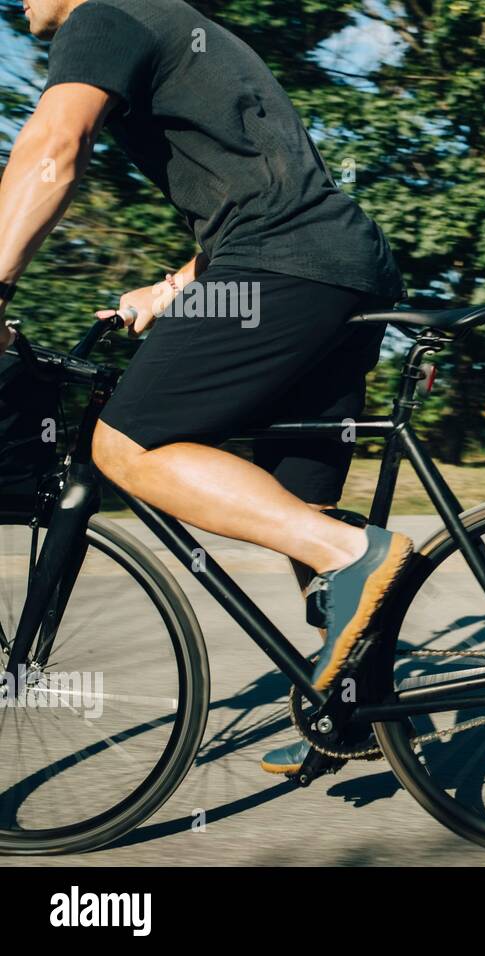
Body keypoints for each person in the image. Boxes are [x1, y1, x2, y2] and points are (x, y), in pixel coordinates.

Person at [0, 0, 415, 775]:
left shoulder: (104, 16)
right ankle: (356, 708)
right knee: (300, 503)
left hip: (286, 265)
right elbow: (266, 187)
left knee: (125, 444)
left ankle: (354, 555)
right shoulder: (179, 24)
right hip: (341, 266)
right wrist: (174, 286)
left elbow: (54, 149)